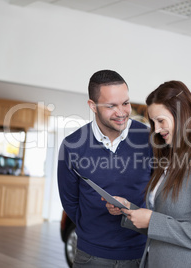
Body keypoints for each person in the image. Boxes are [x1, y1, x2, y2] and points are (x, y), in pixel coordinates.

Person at [106, 80, 191, 267]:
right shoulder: (170, 158)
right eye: (153, 122)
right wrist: (130, 211)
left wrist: (152, 220)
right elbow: (164, 221)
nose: (156, 129)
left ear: (182, 115)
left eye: (161, 121)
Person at [58, 70, 153, 267]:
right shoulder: (72, 146)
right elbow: (70, 203)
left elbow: (160, 194)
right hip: (91, 255)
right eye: (111, 106)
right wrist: (95, 229)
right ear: (93, 106)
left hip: (141, 254)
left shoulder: (151, 140)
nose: (121, 112)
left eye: (125, 103)